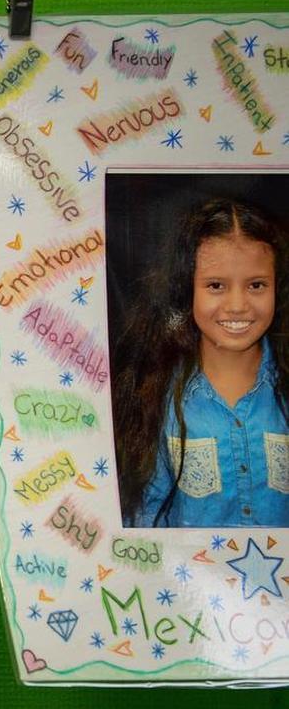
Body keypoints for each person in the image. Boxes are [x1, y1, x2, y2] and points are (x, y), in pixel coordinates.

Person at [115, 199, 289, 527]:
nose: (237, 305)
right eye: (215, 286)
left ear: (277, 287)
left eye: (256, 285)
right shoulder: (157, 396)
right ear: (186, 289)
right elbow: (145, 516)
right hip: (187, 578)